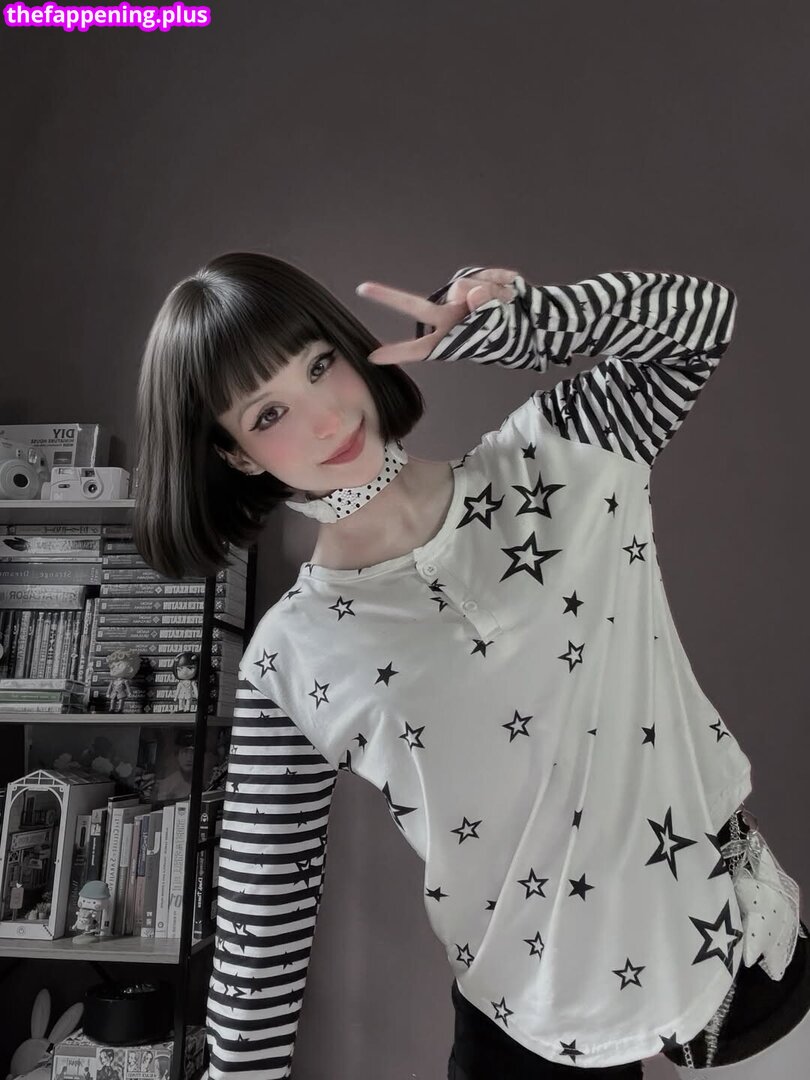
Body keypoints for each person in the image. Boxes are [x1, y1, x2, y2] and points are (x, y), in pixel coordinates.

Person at [134, 252, 810, 1079]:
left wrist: (530, 325)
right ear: (237, 455)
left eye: (318, 365)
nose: (325, 417)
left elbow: (702, 319)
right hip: (526, 1015)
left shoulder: (560, 453)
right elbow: (261, 914)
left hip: (725, 933)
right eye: (269, 412)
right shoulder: (290, 655)